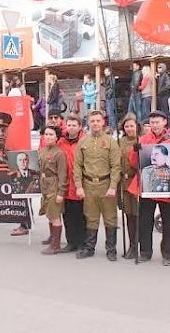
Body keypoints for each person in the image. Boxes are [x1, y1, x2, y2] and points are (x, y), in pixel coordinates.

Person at [129, 110, 170, 266]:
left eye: (157, 122)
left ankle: (167, 254)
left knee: (168, 223)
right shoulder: (143, 140)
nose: (154, 125)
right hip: (147, 188)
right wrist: (135, 151)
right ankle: (145, 252)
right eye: (152, 122)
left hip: (167, 190)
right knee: (145, 222)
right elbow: (135, 165)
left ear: (164, 123)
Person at [74, 110, 121, 261]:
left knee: (110, 218)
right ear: (88, 123)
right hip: (88, 185)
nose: (95, 124)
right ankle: (89, 248)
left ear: (103, 122)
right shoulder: (83, 142)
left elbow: (116, 166)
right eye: (92, 121)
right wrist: (79, 186)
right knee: (91, 217)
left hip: (106, 184)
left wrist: (113, 186)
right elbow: (77, 166)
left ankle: (111, 249)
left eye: (98, 121)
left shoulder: (110, 141)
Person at [38, 126, 68, 254]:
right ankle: (52, 237)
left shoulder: (59, 153)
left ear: (57, 137)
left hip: (54, 186)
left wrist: (61, 192)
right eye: (46, 134)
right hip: (45, 185)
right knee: (49, 214)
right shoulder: (42, 151)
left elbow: (62, 175)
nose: (48, 137)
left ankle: (56, 245)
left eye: (51, 134)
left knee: (55, 215)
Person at [58, 114, 86, 253]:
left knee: (81, 215)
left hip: (80, 184)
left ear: (80, 127)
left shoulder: (85, 141)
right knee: (67, 215)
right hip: (65, 184)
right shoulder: (61, 142)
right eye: (69, 125)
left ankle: (82, 243)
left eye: (74, 125)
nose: (71, 128)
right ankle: (71, 242)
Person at [118, 113, 140, 259]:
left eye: (132, 126)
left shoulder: (141, 140)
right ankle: (131, 244)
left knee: (138, 215)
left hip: (136, 181)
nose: (129, 129)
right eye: (127, 126)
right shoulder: (120, 142)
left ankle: (138, 246)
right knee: (129, 215)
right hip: (124, 182)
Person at [103, 67, 117, 132]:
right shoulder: (109, 78)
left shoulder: (111, 78)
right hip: (109, 97)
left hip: (110, 97)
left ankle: (113, 127)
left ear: (109, 71)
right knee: (109, 113)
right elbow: (108, 86)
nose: (104, 72)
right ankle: (111, 126)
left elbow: (111, 87)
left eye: (105, 71)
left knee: (110, 113)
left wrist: (108, 96)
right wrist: (102, 83)